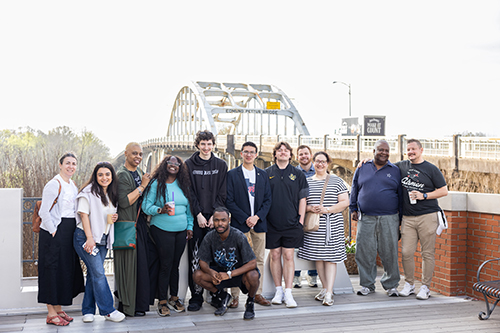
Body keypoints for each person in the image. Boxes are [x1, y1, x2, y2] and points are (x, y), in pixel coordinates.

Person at [142, 155, 194, 316]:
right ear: (164, 165)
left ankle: (174, 297)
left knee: (175, 265)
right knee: (165, 264)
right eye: (169, 163)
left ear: (180, 167)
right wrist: (159, 210)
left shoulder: (183, 184)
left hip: (181, 230)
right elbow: (145, 206)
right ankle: (162, 301)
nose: (173, 166)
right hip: (162, 229)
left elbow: (188, 209)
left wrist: (190, 226)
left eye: (176, 164)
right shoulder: (156, 184)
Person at [73, 162, 125, 323]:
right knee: (99, 273)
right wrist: (90, 239)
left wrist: (113, 217)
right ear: (95, 177)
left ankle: (88, 311)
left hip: (102, 239)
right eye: (100, 175)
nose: (104, 178)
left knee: (93, 274)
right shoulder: (88, 192)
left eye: (107, 174)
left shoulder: (110, 193)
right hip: (86, 237)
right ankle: (108, 310)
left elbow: (106, 215)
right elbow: (84, 215)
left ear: (112, 176)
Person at [350, 140, 403, 297]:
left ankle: (391, 285)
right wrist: (353, 208)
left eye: (387, 150)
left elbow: (400, 195)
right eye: (380, 150)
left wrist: (400, 218)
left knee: (390, 252)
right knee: (364, 251)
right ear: (373, 151)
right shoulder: (362, 168)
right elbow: (354, 188)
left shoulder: (395, 170)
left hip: (390, 217)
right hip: (366, 217)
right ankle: (367, 285)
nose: (384, 153)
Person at [397, 139, 448, 300]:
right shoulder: (401, 166)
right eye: (408, 149)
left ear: (421, 150)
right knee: (406, 252)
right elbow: (383, 167)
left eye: (413, 149)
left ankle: (425, 287)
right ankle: (410, 284)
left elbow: (444, 191)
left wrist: (424, 195)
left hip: (428, 215)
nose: (410, 152)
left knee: (427, 253)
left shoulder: (431, 169)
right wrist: (367, 161)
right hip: (408, 217)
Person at [38, 152, 85, 326]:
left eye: (74, 163)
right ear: (60, 165)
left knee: (63, 269)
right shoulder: (53, 184)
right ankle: (51, 313)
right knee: (51, 270)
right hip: (54, 233)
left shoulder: (72, 184)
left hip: (68, 231)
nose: (71, 166)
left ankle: (58, 308)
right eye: (67, 163)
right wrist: (53, 231)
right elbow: (44, 211)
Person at [298, 152, 349, 306]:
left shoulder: (337, 181)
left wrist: (326, 209)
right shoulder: (306, 182)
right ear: (313, 162)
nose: (320, 164)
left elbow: (345, 202)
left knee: (330, 259)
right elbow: (300, 204)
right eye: (317, 161)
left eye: (323, 161)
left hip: (332, 226)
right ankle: (326, 288)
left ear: (328, 163)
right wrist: (310, 208)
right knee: (318, 258)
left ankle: (329, 293)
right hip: (314, 227)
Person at [185, 130, 228, 311]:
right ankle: (196, 296)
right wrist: (199, 214)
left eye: (209, 144)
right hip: (197, 219)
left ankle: (216, 293)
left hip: (215, 220)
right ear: (197, 145)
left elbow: (222, 193)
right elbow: (189, 192)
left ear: (213, 145)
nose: (206, 147)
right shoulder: (188, 165)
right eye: (203, 144)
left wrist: (213, 215)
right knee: (195, 258)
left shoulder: (221, 165)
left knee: (216, 259)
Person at [226, 141, 272, 307]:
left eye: (252, 152)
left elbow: (268, 200)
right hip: (240, 224)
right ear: (241, 154)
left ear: (256, 154)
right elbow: (229, 201)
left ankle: (257, 294)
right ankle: (235, 296)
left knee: (259, 259)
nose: (248, 155)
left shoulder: (262, 174)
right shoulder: (232, 174)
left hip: (259, 224)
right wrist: (246, 217)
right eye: (246, 152)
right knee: (237, 259)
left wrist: (257, 217)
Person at [193, 207, 260, 320]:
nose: (220, 223)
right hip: (219, 274)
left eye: (223, 220)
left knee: (253, 275)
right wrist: (211, 272)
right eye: (216, 220)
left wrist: (229, 274)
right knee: (197, 275)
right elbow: (202, 261)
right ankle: (222, 296)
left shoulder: (238, 236)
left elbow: (252, 263)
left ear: (229, 220)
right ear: (213, 221)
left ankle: (250, 302)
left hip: (237, 273)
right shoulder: (209, 237)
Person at [265, 141, 308, 308]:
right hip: (272, 223)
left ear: (291, 155)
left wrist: (301, 220)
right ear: (275, 154)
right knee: (275, 255)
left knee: (288, 256)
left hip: (292, 223)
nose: (283, 152)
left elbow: (302, 199)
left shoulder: (298, 174)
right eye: (279, 150)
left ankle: (289, 292)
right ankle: (278, 290)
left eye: (286, 150)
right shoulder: (266, 173)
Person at [115, 142, 152, 317]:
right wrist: (143, 185)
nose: (138, 157)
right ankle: (128, 305)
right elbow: (124, 201)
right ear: (126, 154)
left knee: (140, 266)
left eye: (140, 154)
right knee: (129, 266)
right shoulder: (122, 175)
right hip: (128, 225)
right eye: (134, 154)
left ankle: (139, 304)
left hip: (139, 225)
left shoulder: (137, 172)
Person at [294, 145, 319, 288]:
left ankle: (312, 275)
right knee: (297, 244)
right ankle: (296, 276)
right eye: (301, 154)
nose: (304, 156)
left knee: (313, 243)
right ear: (297, 157)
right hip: (297, 211)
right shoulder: (294, 172)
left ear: (311, 155)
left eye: (306, 153)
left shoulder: (319, 170)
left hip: (315, 211)